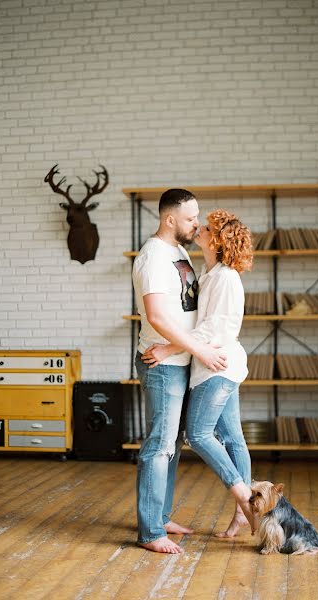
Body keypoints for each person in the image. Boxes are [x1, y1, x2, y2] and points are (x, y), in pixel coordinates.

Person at [142, 209, 255, 538]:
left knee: (199, 434)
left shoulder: (224, 278)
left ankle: (244, 499)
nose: (199, 229)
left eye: (206, 227)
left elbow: (211, 330)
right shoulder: (209, 273)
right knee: (233, 440)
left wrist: (167, 349)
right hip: (218, 366)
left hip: (217, 368)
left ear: (218, 239)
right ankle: (242, 515)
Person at [133, 189, 228, 555]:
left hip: (180, 360)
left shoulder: (180, 251)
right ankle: (150, 532)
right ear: (170, 219)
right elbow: (156, 316)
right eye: (191, 218)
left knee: (171, 446)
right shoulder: (154, 256)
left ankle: (161, 517)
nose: (197, 224)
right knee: (159, 446)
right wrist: (198, 347)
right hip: (163, 366)